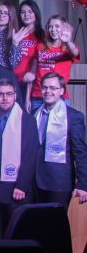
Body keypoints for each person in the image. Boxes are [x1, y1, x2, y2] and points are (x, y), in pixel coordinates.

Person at [0, 78, 39, 239]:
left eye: (9, 94)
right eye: (0, 94)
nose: (5, 98)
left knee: (17, 235)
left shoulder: (27, 120)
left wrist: (22, 185)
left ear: (15, 96)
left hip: (16, 190)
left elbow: (30, 154)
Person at [34, 72, 87, 207]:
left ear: (61, 91)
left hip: (59, 183)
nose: (48, 91)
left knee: (57, 220)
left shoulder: (74, 117)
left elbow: (80, 152)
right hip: (35, 181)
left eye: (53, 88)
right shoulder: (35, 115)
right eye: (45, 87)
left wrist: (83, 184)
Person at [27, 15, 81, 112]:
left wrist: (68, 42)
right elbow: (32, 74)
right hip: (38, 96)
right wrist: (27, 99)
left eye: (57, 26)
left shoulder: (68, 48)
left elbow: (75, 53)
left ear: (64, 28)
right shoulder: (40, 46)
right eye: (50, 26)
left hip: (59, 97)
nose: (53, 29)